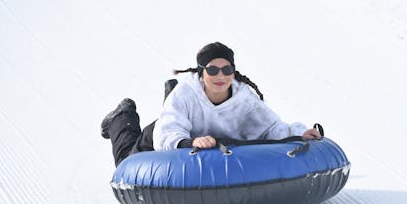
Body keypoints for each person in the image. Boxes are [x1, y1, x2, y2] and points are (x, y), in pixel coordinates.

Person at [101, 42, 322, 166]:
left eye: (226, 70)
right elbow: (166, 134)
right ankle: (122, 117)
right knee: (125, 163)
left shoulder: (244, 99)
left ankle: (167, 96)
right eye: (213, 70)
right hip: (163, 134)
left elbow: (272, 128)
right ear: (201, 73)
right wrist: (191, 141)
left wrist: (300, 133)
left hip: (196, 135)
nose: (221, 76)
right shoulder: (187, 93)